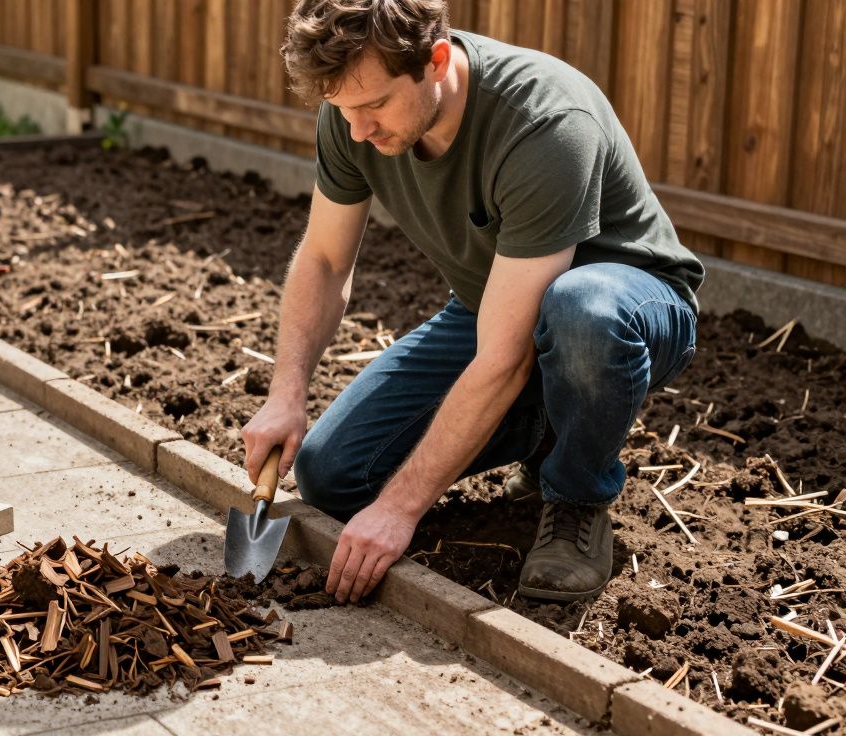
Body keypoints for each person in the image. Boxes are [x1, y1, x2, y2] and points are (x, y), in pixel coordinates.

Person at [241, 0, 704, 605]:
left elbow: (505, 355)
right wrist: (286, 395)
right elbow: (326, 261)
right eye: (342, 109)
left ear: (436, 61)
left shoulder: (544, 120)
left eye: (374, 105)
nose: (358, 129)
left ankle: (574, 495)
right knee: (332, 474)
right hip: (497, 308)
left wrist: (401, 509)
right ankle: (546, 426)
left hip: (628, 307)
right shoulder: (352, 110)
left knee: (580, 310)